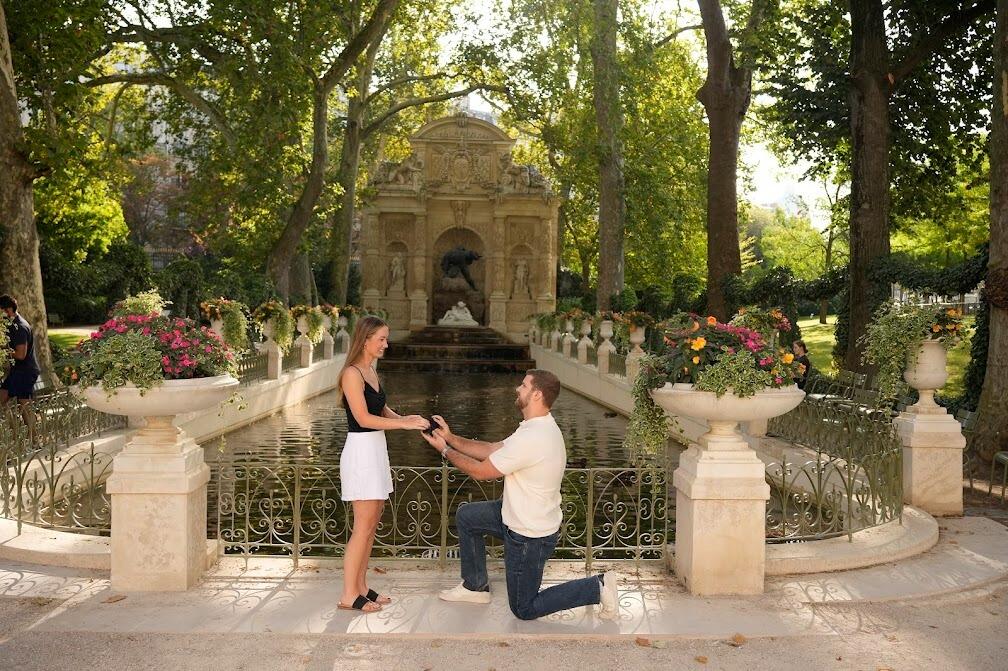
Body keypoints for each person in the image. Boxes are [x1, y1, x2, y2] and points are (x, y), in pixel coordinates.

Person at [420, 369, 619, 621]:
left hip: (529, 534)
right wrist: (450, 438)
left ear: (536, 394)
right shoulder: (535, 426)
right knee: (468, 516)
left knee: (524, 608)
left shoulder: (534, 437)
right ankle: (474, 586)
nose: (517, 388)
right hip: (514, 515)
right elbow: (492, 449)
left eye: (523, 386)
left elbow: (481, 472)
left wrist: (445, 450)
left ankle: (597, 587)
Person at [337, 315, 429, 613]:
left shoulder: (370, 371)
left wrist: (407, 419)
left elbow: (381, 409)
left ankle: (362, 587)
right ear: (365, 340)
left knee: (372, 524)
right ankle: (348, 594)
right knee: (362, 527)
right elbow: (363, 418)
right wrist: (402, 426)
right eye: (381, 339)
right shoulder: (352, 374)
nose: (386, 344)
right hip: (361, 453)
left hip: (376, 451)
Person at [0, 295, 39, 440]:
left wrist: (3, 350)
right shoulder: (12, 324)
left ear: (8, 310)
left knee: (24, 406)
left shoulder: (20, 327)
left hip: (25, 371)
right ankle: (15, 436)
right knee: (2, 398)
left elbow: (21, 354)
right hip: (17, 371)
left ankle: (34, 440)